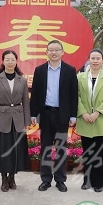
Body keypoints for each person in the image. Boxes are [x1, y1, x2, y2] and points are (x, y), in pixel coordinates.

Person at [30, 40, 78, 192]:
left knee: (61, 149)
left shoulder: (70, 70)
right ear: (47, 52)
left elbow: (73, 95)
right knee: (45, 148)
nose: (54, 52)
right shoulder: (40, 70)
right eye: (51, 50)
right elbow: (35, 94)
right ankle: (45, 179)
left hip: (62, 115)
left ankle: (60, 180)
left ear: (62, 52)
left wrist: (73, 116)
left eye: (57, 50)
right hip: (45, 114)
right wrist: (33, 114)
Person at [0, 50, 31, 192]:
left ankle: (12, 177)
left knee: (16, 150)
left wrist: (27, 122)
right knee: (3, 149)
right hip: (1, 120)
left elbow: (26, 103)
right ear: (3, 61)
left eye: (13, 60)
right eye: (7, 59)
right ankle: (4, 178)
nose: (10, 62)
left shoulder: (22, 80)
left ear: (16, 61)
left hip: (18, 120)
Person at [76, 48, 103, 192]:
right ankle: (87, 180)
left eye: (98, 58)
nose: (95, 61)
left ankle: (99, 182)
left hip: (101, 119)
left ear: (102, 60)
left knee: (100, 152)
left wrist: (97, 113)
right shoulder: (80, 77)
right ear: (88, 60)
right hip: (85, 119)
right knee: (87, 152)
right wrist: (84, 113)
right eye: (92, 58)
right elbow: (76, 96)